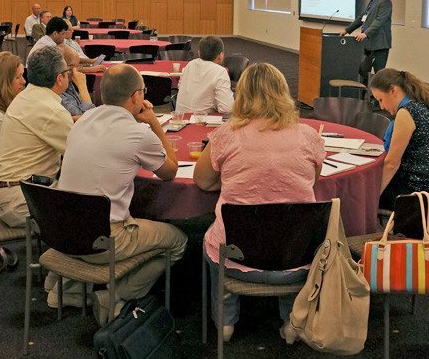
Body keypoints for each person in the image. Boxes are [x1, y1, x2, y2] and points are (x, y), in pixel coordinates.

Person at [194, 63, 325, 343]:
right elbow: (312, 180)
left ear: (241, 94)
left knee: (213, 241)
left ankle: (225, 320)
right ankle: (293, 320)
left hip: (236, 256)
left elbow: (203, 181)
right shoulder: (309, 136)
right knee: (293, 225)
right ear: (283, 93)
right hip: (297, 255)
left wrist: (231, 180)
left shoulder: (225, 135)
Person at [55, 64, 187, 323]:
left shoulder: (83, 121)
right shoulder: (138, 134)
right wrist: (153, 123)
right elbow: (170, 171)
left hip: (61, 229)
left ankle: (71, 289)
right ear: (136, 97)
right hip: (103, 238)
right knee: (178, 241)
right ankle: (117, 295)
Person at [0, 46, 73, 227]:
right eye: (67, 72)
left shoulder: (26, 97)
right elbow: (83, 155)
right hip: (22, 201)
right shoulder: (52, 111)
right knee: (96, 208)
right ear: (59, 79)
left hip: (12, 193)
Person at [369, 68, 429, 211]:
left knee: (356, 192)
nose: (381, 106)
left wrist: (372, 196)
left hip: (413, 190)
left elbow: (392, 164)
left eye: (381, 99)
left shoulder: (406, 113)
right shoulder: (419, 104)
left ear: (393, 90)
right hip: (428, 181)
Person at [340, 0, 393, 89]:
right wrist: (347, 30)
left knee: (379, 74)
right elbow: (362, 18)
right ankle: (364, 94)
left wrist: (365, 33)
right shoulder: (373, 1)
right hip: (369, 43)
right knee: (363, 70)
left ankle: (379, 98)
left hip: (380, 44)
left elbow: (379, 20)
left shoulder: (385, 1)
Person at [175, 35, 234, 114]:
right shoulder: (220, 72)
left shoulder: (190, 65)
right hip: (202, 119)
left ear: (199, 53)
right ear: (220, 55)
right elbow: (227, 108)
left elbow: (180, 86)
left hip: (180, 117)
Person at [60, 46, 95, 121]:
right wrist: (82, 86)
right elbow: (89, 118)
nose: (77, 72)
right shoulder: (59, 92)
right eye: (76, 67)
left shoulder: (69, 83)